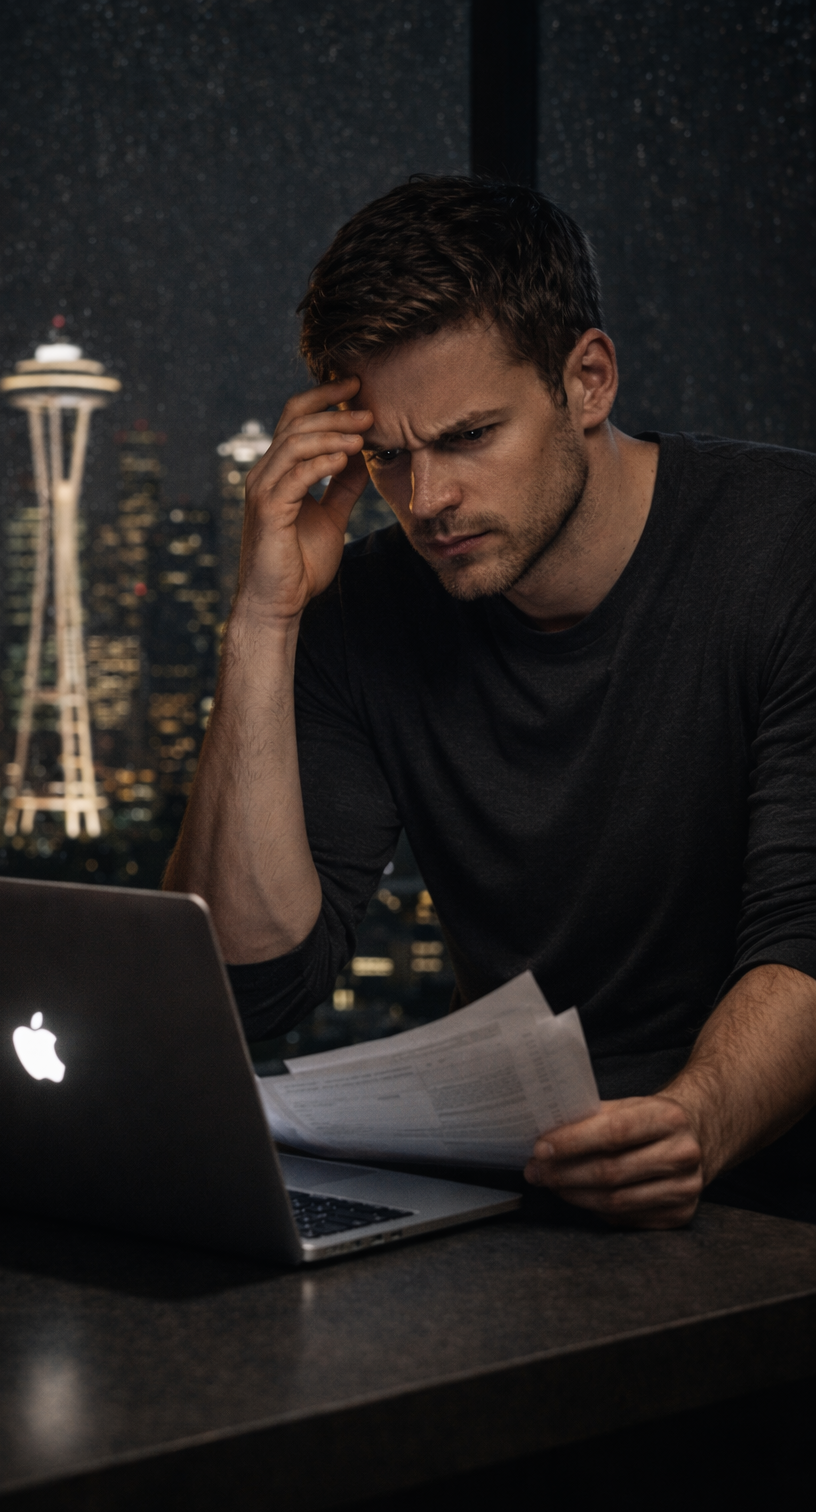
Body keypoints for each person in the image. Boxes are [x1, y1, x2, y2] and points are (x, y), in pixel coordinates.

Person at [165, 175, 816, 1229]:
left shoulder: (786, 549)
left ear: (588, 380)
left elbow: (808, 936)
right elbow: (252, 992)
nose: (425, 503)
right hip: (516, 1207)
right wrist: (263, 616)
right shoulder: (362, 607)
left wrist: (691, 1120)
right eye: (387, 458)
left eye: (468, 437)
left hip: (773, 1208)